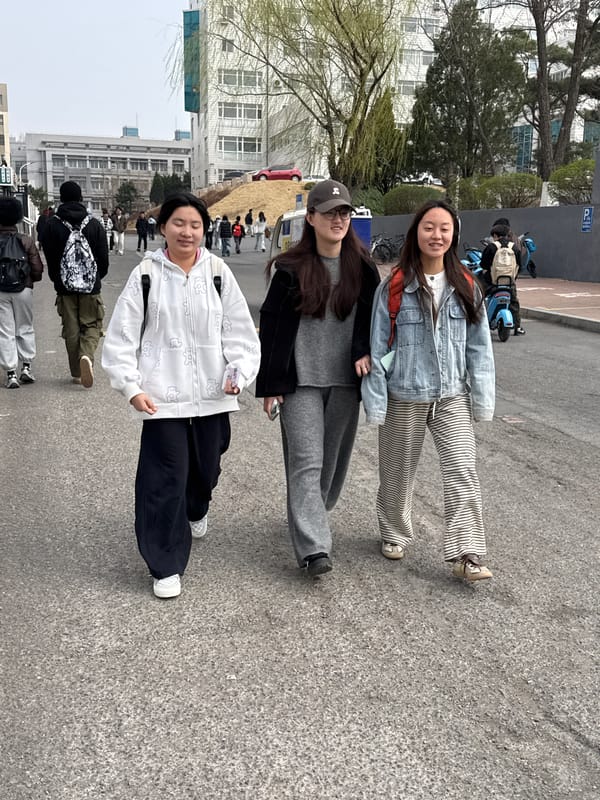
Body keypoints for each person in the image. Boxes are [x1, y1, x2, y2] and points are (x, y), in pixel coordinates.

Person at [102, 192, 260, 599]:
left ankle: (198, 505)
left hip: (213, 395)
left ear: (204, 230)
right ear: (163, 227)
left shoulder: (218, 272)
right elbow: (121, 337)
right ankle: (165, 562)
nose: (187, 232)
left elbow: (241, 333)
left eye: (195, 225)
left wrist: (238, 374)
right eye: (178, 223)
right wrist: (132, 387)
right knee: (163, 478)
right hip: (162, 398)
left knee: (205, 469)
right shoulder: (146, 275)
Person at [362, 199, 495, 582]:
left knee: (462, 469)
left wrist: (482, 401)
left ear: (453, 235)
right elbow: (378, 345)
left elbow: (480, 348)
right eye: (428, 227)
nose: (436, 235)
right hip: (404, 391)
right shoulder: (395, 286)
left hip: (451, 394)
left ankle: (468, 553)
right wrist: (377, 401)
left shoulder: (467, 285)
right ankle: (394, 532)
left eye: (444, 228)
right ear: (416, 233)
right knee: (397, 471)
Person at [255, 179, 380, 578]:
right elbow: (272, 326)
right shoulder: (291, 269)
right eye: (329, 213)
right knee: (306, 462)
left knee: (332, 467)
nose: (338, 219)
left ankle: (308, 513)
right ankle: (314, 548)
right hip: (301, 380)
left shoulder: (363, 268)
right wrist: (271, 383)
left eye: (344, 212)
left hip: (345, 380)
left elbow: (372, 323)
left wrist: (365, 351)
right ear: (311, 218)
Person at [39, 180, 109, 388]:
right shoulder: (94, 224)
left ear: (61, 198)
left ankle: (77, 372)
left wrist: (58, 280)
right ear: (81, 198)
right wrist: (95, 278)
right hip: (90, 286)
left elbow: (50, 258)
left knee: (71, 328)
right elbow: (103, 259)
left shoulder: (52, 224)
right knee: (92, 324)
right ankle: (86, 355)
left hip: (64, 286)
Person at [0, 197, 44, 388]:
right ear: (18, 218)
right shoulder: (25, 240)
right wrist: (29, 281)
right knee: (25, 326)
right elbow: (37, 268)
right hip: (23, 289)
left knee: (5, 330)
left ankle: (11, 373)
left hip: (1, 291)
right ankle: (26, 366)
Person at [480, 223, 525, 335]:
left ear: (495, 235)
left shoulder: (491, 247)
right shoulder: (514, 247)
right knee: (513, 302)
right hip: (509, 282)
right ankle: (518, 327)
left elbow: (484, 264)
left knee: (478, 298)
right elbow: (520, 266)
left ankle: (478, 324)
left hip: (492, 282)